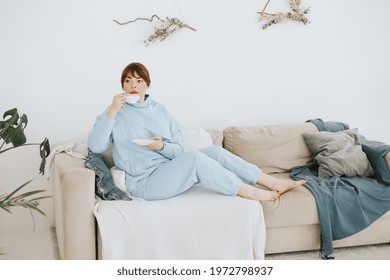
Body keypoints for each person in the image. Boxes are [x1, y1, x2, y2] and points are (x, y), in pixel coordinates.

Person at [88, 62, 306, 201]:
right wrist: (112, 111)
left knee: (215, 152)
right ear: (123, 86)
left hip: (167, 169)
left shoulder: (160, 110)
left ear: (147, 85)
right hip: (143, 182)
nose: (133, 85)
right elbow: (95, 146)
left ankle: (272, 182)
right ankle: (247, 192)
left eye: (139, 80)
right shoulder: (114, 112)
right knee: (194, 160)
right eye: (128, 81)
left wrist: (161, 146)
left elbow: (177, 150)